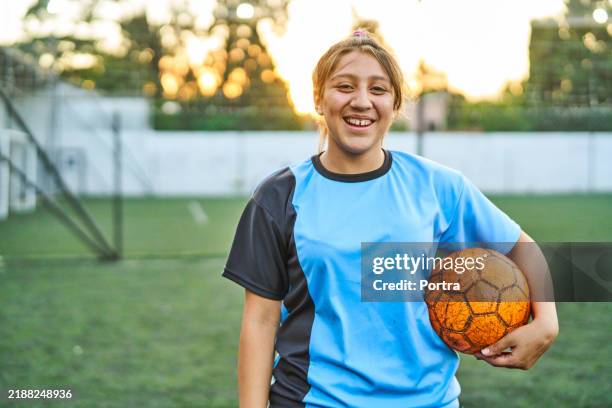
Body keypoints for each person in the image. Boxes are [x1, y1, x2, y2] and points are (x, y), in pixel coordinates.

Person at [222, 29, 559, 408]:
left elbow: (521, 247)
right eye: (345, 86)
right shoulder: (280, 197)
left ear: (395, 104)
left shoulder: (439, 187)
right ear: (318, 98)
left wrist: (546, 322)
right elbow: (260, 321)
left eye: (378, 90)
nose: (362, 101)